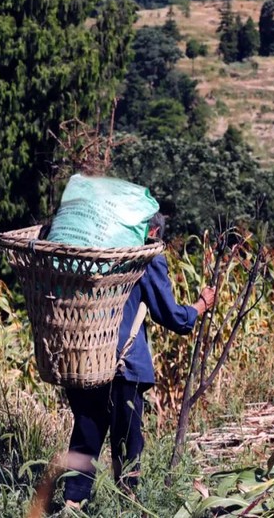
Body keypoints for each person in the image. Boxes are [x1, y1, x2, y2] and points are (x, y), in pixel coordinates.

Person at [63, 213, 216, 509]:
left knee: (86, 435)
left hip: (84, 359)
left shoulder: (95, 254)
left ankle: (72, 505)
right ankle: (128, 506)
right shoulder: (145, 259)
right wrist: (200, 305)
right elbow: (172, 316)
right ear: (154, 231)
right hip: (125, 364)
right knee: (127, 443)